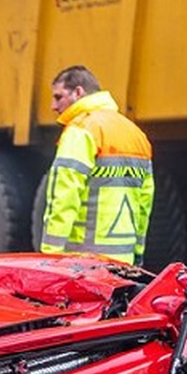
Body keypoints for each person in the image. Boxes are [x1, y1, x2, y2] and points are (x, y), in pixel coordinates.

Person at [39, 65, 154, 265]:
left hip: (82, 263)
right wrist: (137, 253)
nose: (53, 106)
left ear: (78, 93)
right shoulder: (136, 134)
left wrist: (50, 256)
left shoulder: (81, 131)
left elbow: (64, 198)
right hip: (123, 261)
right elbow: (144, 203)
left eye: (58, 97)